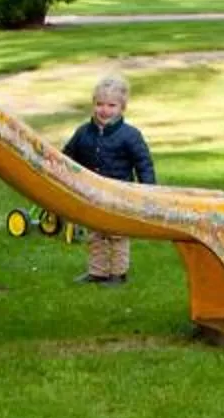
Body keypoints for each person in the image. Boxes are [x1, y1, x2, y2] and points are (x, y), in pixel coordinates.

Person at [62, 73, 158, 285]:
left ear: (122, 107)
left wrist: (149, 191)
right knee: (95, 233)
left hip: (119, 194)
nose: (104, 110)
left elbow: (143, 163)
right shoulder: (83, 133)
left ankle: (118, 274)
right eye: (99, 104)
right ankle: (97, 272)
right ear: (93, 105)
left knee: (117, 234)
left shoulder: (130, 135)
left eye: (111, 105)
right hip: (92, 193)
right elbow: (67, 157)